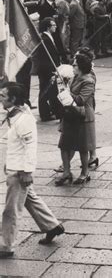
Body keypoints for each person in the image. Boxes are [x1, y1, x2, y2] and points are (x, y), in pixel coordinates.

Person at [0, 83, 65, 258]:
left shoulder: (24, 119)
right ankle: (52, 226)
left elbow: (30, 146)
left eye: (3, 96)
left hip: (20, 171)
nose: (0, 98)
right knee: (30, 198)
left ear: (13, 99)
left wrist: (27, 171)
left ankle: (6, 245)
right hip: (15, 166)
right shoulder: (16, 114)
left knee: (11, 209)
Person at [55, 53, 96, 186]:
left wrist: (65, 90)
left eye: (75, 65)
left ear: (81, 67)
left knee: (83, 148)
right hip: (70, 114)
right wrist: (62, 85)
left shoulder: (88, 81)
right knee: (64, 145)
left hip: (82, 116)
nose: (72, 66)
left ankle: (85, 173)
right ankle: (66, 172)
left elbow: (80, 100)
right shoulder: (74, 78)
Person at [32, 17, 63, 122]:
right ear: (48, 27)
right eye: (53, 25)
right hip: (47, 70)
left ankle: (51, 112)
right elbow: (45, 57)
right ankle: (50, 114)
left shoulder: (49, 37)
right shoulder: (45, 39)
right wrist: (52, 69)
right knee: (48, 91)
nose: (55, 27)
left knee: (49, 91)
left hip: (48, 68)